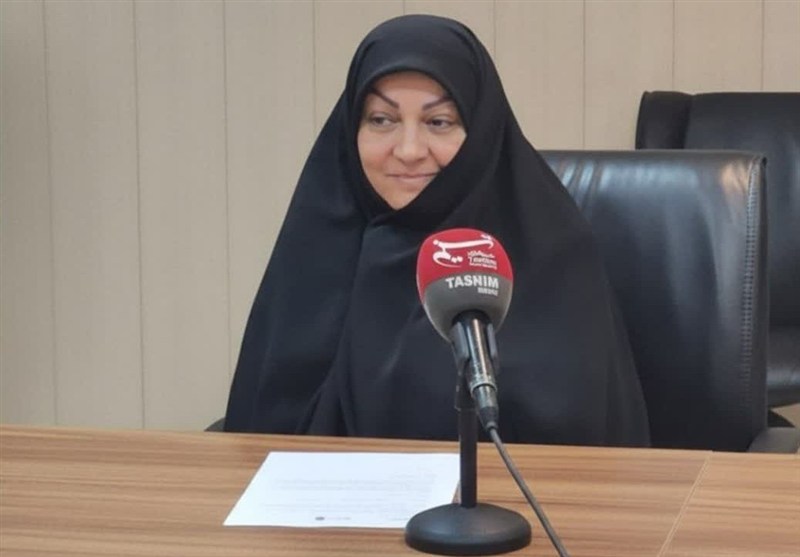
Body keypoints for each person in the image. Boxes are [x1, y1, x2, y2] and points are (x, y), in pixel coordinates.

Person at [224, 14, 650, 447]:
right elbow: (260, 431)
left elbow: (579, 440)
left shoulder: (552, 249)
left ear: (481, 131)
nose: (408, 150)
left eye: (439, 122)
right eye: (381, 120)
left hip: (514, 490)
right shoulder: (316, 246)